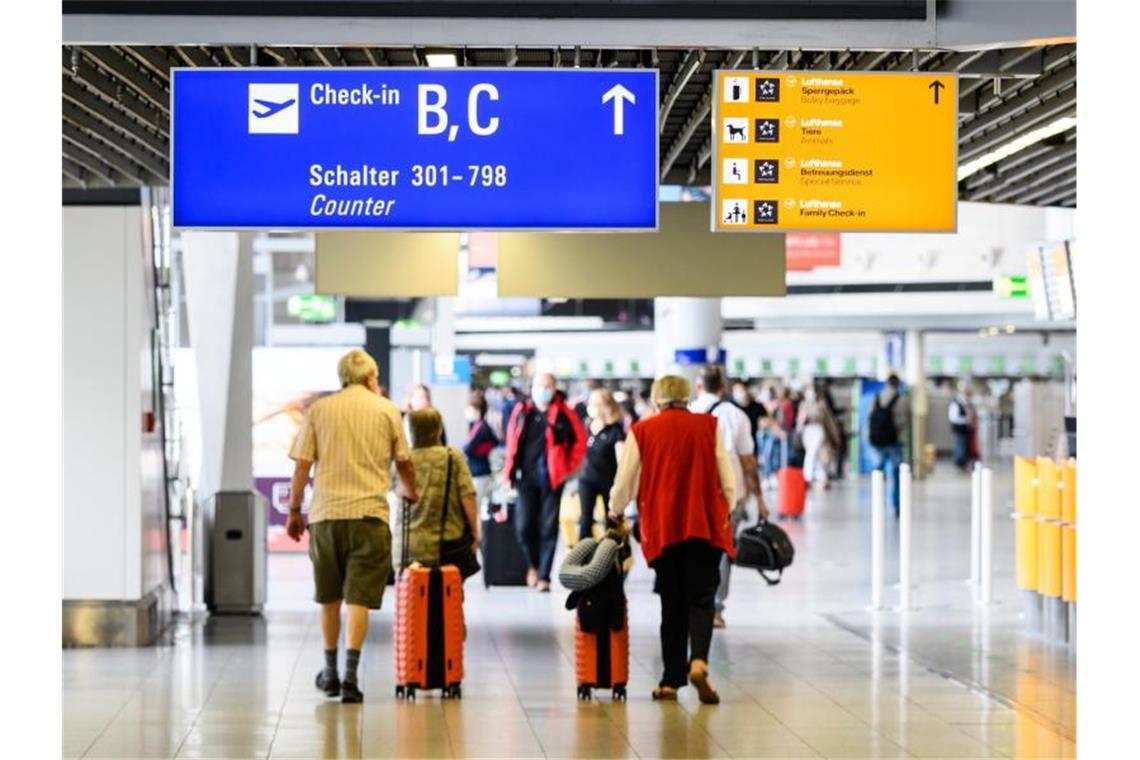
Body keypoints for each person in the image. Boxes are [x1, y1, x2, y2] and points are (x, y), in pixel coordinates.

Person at [286, 349, 418, 704]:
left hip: (327, 516)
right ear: (372, 378)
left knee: (329, 596)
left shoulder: (321, 410)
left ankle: (328, 672)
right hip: (369, 516)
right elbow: (404, 461)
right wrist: (412, 491)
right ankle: (349, 676)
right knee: (358, 597)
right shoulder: (387, 410)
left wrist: (294, 510)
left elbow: (302, 465)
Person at [608, 375, 737, 704]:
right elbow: (726, 475)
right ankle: (699, 661)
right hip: (705, 525)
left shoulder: (643, 430)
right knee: (702, 597)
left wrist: (615, 509)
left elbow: (625, 479)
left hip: (664, 529)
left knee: (672, 602)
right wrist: (729, 506)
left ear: (656, 400)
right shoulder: (709, 426)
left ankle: (670, 681)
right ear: (687, 398)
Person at [691, 367, 767, 629]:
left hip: (694, 494)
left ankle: (695, 601)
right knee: (723, 549)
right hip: (729, 495)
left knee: (694, 547)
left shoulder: (689, 413)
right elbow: (748, 462)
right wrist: (760, 499)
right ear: (722, 388)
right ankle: (715, 607)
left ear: (699, 387)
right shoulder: (737, 416)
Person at [502, 372, 587, 592]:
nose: (544, 390)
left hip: (552, 479)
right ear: (532, 388)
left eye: (548, 386)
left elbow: (580, 443)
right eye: (540, 386)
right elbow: (511, 441)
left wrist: (566, 468)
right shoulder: (523, 411)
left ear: (554, 387)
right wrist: (508, 473)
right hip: (525, 477)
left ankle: (544, 576)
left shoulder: (564, 413)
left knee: (548, 527)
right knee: (523, 527)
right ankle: (533, 564)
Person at [405, 408, 481, 569]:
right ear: (438, 429)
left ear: (411, 430)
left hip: (408, 545)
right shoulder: (452, 457)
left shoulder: (404, 459)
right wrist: (474, 531)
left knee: (411, 590)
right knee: (448, 589)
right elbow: (468, 496)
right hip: (447, 543)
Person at [577, 388, 626, 541]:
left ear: (606, 405)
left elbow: (622, 460)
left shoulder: (615, 430)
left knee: (612, 521)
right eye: (590, 403)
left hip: (609, 481)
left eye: (595, 403)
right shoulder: (586, 425)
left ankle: (613, 558)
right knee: (585, 520)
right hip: (587, 479)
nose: (591, 407)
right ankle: (583, 558)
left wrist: (622, 486)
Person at [867, 374, 909, 517]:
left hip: (878, 441)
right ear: (898, 384)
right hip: (894, 441)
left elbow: (870, 417)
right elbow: (902, 421)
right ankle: (897, 506)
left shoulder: (877, 397)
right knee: (898, 475)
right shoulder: (901, 399)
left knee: (879, 472)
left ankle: (878, 503)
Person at [462, 390, 499, 517]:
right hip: (478, 472)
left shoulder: (481, 427)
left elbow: (467, 448)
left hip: (480, 473)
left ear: (476, 409)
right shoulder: (476, 425)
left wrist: (479, 450)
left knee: (475, 510)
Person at [949, 385, 972, 471]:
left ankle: (963, 462)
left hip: (964, 429)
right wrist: (966, 420)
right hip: (958, 429)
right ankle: (959, 463)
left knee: (963, 446)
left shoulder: (964, 403)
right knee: (959, 446)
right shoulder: (955, 404)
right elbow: (953, 418)